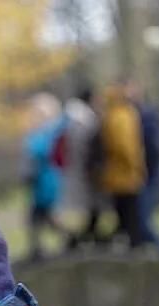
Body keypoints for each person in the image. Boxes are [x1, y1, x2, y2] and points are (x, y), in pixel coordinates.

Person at [124, 80, 159, 262]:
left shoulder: (145, 116)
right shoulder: (137, 115)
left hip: (149, 178)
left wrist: (143, 171)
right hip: (144, 178)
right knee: (136, 224)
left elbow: (153, 149)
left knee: (143, 224)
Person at [97, 82, 146, 248]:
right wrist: (136, 167)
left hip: (116, 175)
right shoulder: (122, 116)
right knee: (131, 219)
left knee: (124, 217)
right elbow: (125, 146)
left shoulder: (111, 115)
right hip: (125, 176)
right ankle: (133, 252)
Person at [23, 92, 70, 260]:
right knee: (42, 217)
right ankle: (40, 247)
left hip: (46, 180)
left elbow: (39, 152)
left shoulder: (50, 132)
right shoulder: (43, 131)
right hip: (41, 180)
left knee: (42, 216)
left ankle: (41, 248)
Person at [61, 87, 105, 247]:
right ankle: (78, 239)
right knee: (89, 206)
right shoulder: (85, 121)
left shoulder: (72, 118)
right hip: (85, 172)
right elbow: (83, 149)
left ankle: (84, 237)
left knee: (90, 209)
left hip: (78, 170)